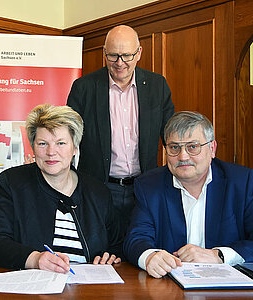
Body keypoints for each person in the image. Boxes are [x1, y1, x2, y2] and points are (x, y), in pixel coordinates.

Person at [124, 111, 253, 279]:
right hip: (167, 288)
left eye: (192, 146)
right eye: (174, 147)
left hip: (227, 290)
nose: (183, 156)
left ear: (212, 148)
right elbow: (135, 239)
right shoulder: (149, 185)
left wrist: (219, 256)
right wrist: (150, 256)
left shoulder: (239, 182)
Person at [0, 104, 123, 273]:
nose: (51, 152)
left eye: (61, 143)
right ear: (33, 147)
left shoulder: (98, 192)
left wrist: (111, 255)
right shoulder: (12, 183)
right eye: (42, 143)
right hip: (32, 287)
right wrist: (34, 259)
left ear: (75, 148)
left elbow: (118, 244)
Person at [67, 24, 175, 234]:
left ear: (139, 53)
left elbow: (170, 136)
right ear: (104, 53)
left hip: (145, 187)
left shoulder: (157, 85)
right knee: (102, 252)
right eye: (113, 56)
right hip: (99, 187)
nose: (120, 63)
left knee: (141, 245)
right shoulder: (84, 87)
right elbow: (68, 138)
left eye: (126, 55)